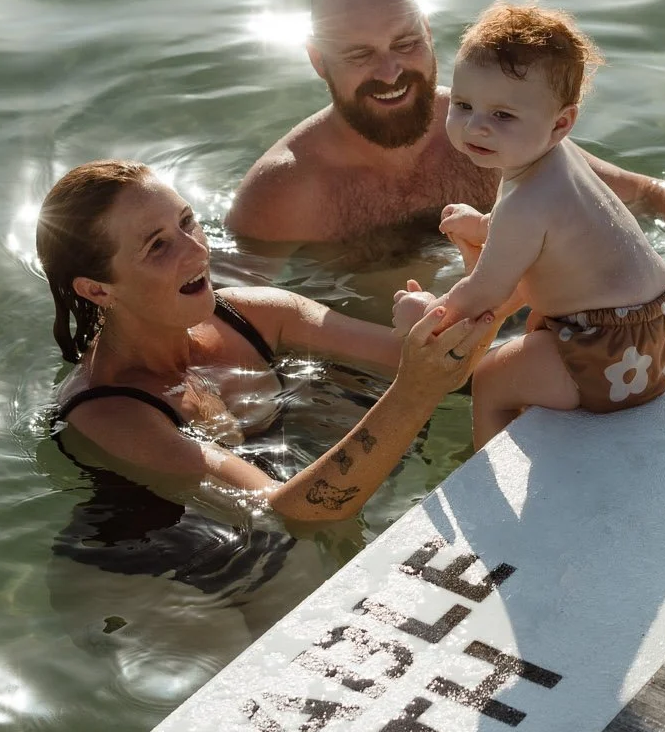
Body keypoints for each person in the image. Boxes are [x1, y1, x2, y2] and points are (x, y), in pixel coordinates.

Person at [37, 161, 490, 543]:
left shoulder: (256, 315)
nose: (196, 250)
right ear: (98, 289)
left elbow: (448, 365)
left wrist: (481, 282)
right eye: (157, 246)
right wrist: (413, 392)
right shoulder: (112, 413)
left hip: (273, 526)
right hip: (166, 572)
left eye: (187, 221)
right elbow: (292, 513)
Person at [225, 0, 665, 248]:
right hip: (380, 373)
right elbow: (240, 321)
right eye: (360, 55)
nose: (390, 72)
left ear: (429, 35)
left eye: (405, 44)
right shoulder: (284, 192)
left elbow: (640, 196)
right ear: (317, 60)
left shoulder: (483, 124)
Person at [394, 1, 665, 445]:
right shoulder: (555, 163)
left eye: (502, 115)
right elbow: (545, 234)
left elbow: (484, 293)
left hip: (614, 354)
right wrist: (485, 226)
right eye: (463, 104)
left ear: (561, 123)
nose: (476, 126)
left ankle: (482, 468)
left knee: (491, 377)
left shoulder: (526, 202)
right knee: (532, 340)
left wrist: (427, 315)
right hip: (660, 328)